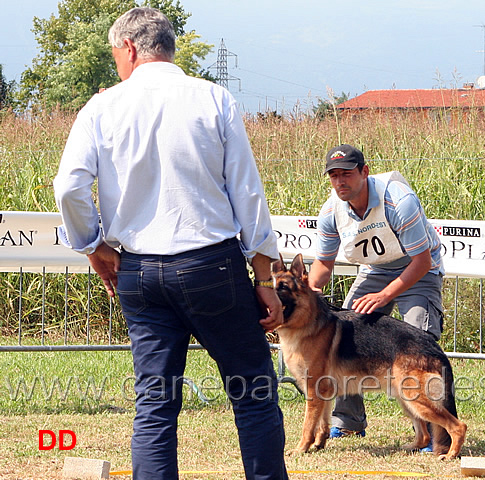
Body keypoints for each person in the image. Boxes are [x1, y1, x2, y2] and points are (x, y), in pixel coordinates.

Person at [53, 7, 288, 480]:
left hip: (138, 271)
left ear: (130, 49)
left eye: (115, 54)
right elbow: (247, 196)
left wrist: (95, 246)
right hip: (212, 267)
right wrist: (265, 278)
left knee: (155, 405)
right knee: (254, 393)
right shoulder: (214, 99)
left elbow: (68, 188)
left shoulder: (102, 107)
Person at [307, 144, 444, 448]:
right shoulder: (331, 211)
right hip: (374, 270)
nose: (340, 181)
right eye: (333, 175)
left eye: (347, 174)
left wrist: (383, 296)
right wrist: (309, 293)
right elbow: (323, 264)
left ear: (364, 172)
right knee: (340, 336)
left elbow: (421, 262)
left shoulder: (399, 202)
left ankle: (430, 435)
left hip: (419, 271)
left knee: (418, 339)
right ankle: (349, 423)